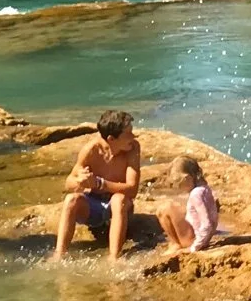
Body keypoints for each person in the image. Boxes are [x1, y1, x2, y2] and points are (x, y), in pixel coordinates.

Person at [52, 108, 142, 260]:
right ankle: (59, 254)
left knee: (118, 200)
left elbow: (132, 190)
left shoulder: (133, 149)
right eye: (128, 134)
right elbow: (69, 182)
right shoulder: (92, 150)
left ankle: (114, 257)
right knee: (71, 200)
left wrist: (101, 184)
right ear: (111, 139)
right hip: (94, 205)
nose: (133, 137)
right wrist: (80, 181)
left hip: (119, 205)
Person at [156, 153, 221, 253]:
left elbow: (206, 224)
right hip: (203, 237)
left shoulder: (196, 194)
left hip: (195, 240)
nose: (177, 187)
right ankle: (176, 243)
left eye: (178, 182)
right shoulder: (203, 188)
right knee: (173, 206)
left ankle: (176, 244)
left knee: (164, 210)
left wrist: (194, 247)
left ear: (188, 178)